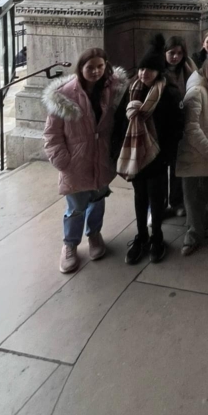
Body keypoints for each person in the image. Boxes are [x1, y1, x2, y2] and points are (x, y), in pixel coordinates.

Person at [43, 49, 128, 274]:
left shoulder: (113, 90)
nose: (95, 71)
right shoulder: (64, 95)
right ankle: (70, 245)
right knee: (76, 207)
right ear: (80, 68)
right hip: (76, 162)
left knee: (98, 199)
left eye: (100, 66)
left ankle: (94, 235)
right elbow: (52, 134)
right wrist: (63, 161)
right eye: (90, 67)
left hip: (101, 158)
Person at [111, 35, 184, 265]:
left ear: (159, 72)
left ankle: (157, 237)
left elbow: (176, 128)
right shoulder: (132, 90)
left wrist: (167, 157)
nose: (144, 74)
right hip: (136, 155)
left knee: (156, 198)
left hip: (158, 157)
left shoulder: (169, 93)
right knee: (140, 196)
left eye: (150, 70)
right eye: (142, 69)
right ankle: (141, 235)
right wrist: (116, 152)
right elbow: (120, 124)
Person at [176, 56, 208, 256]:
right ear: (204, 71)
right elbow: (191, 126)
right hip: (197, 149)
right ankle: (193, 232)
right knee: (192, 192)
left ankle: (204, 219)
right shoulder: (197, 91)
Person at [164, 35, 195, 217]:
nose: (175, 57)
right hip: (163, 127)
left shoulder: (188, 70)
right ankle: (158, 206)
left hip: (181, 124)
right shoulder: (158, 71)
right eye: (171, 53)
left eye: (179, 53)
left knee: (178, 167)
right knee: (160, 171)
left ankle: (176, 201)